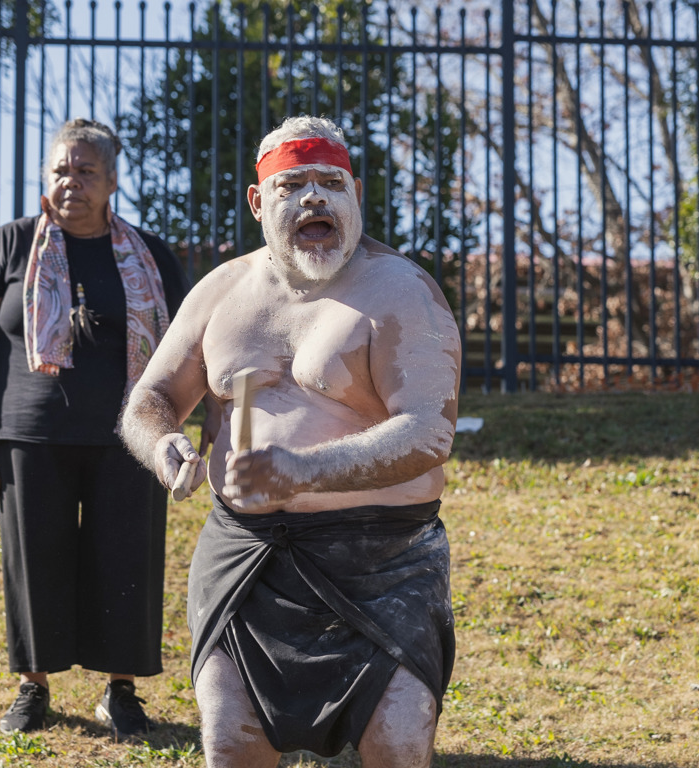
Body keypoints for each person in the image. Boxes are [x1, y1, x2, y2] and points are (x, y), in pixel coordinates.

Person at [120, 115, 461, 767]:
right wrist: (164, 445)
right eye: (293, 184)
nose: (314, 198)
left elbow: (427, 432)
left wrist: (303, 469)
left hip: (380, 561)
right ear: (257, 201)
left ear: (354, 196)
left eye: (332, 183)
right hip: (243, 555)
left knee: (394, 743)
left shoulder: (401, 291)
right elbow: (153, 398)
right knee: (229, 740)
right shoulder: (222, 291)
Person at [0, 118, 215, 739]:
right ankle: (32, 687)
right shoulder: (12, 246)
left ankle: (121, 692)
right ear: (47, 177)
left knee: (128, 560)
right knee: (36, 559)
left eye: (87, 170)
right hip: (29, 434)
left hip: (132, 437)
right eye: (62, 169)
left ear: (112, 180)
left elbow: (192, 343)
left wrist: (196, 428)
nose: (72, 182)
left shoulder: (152, 256)